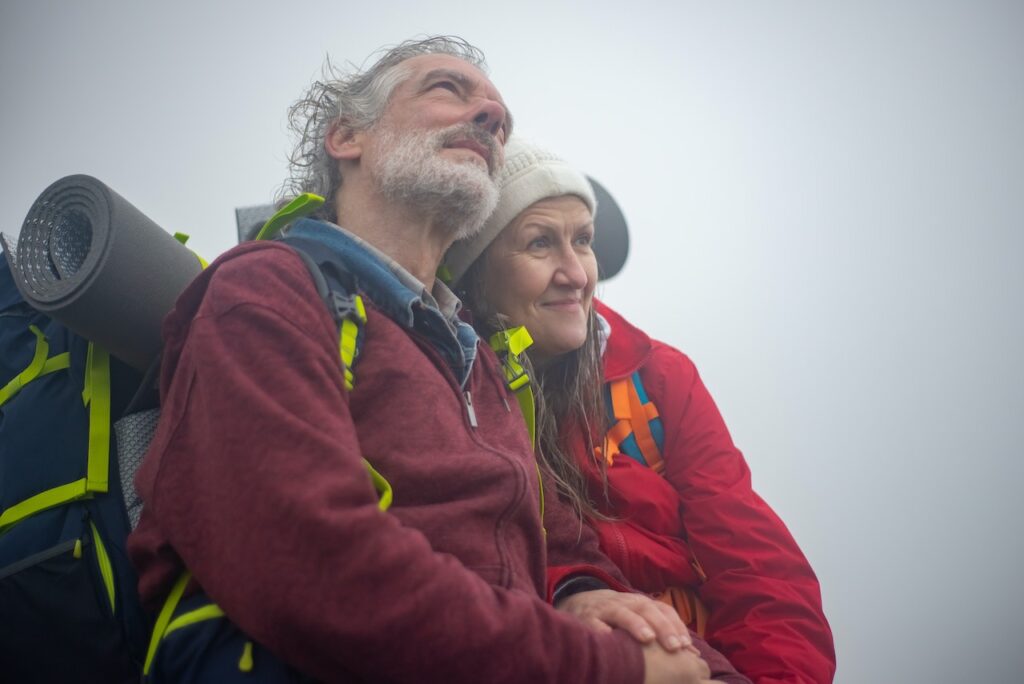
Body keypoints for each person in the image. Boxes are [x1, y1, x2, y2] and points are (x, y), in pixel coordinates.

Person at [127, 37, 744, 683]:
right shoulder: (269, 289)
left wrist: (581, 591)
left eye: (500, 116)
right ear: (346, 137)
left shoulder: (481, 365)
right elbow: (307, 558)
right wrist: (612, 668)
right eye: (448, 88)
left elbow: (564, 547)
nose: (491, 117)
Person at [446, 137, 837, 684]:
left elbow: (756, 562)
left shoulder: (658, 376)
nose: (577, 274)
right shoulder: (446, 389)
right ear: (476, 272)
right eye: (539, 243)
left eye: (582, 241)